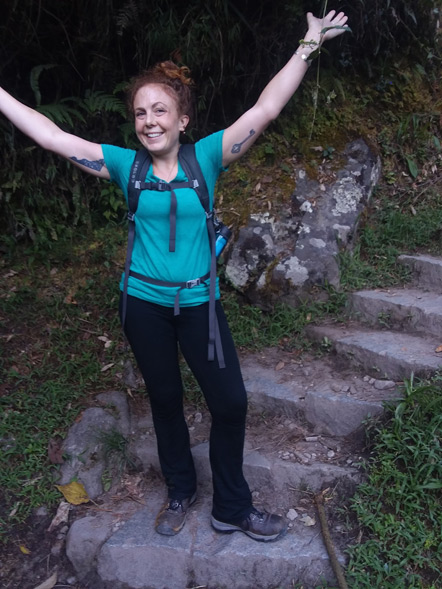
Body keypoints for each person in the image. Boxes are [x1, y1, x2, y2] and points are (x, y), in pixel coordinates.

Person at [0, 10, 348, 541]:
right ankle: (181, 490)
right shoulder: (124, 166)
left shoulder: (206, 157)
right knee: (164, 401)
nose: (150, 121)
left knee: (230, 402)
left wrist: (308, 42)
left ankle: (231, 506)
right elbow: (51, 135)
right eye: (141, 113)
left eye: (160, 110)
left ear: (183, 119)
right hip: (143, 307)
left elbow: (267, 107)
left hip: (200, 308)